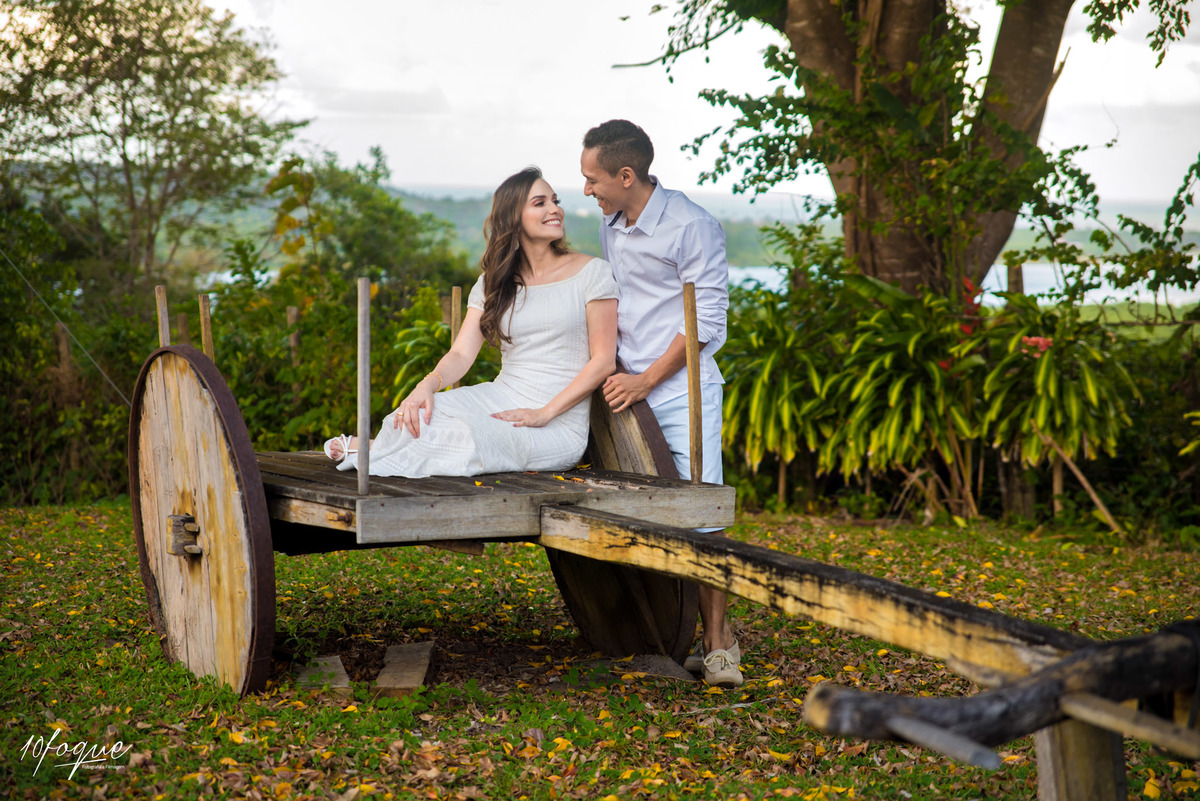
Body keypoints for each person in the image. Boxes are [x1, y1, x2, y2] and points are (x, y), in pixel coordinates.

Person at [324, 167, 618, 478]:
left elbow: (602, 362)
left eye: (554, 201)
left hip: (557, 424)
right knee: (414, 413)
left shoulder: (592, 273)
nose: (554, 209)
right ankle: (380, 448)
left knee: (466, 439)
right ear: (513, 218)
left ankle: (371, 452)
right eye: (540, 203)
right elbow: (461, 354)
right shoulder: (494, 282)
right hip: (501, 396)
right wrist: (425, 386)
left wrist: (544, 413)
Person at [581, 119, 741, 688]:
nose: (587, 191)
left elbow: (706, 323)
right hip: (625, 392)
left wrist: (647, 380)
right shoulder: (612, 223)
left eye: (593, 179)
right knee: (640, 511)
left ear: (627, 175)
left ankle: (721, 644)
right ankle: (657, 631)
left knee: (704, 518)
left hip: (681, 393)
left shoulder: (693, 227)